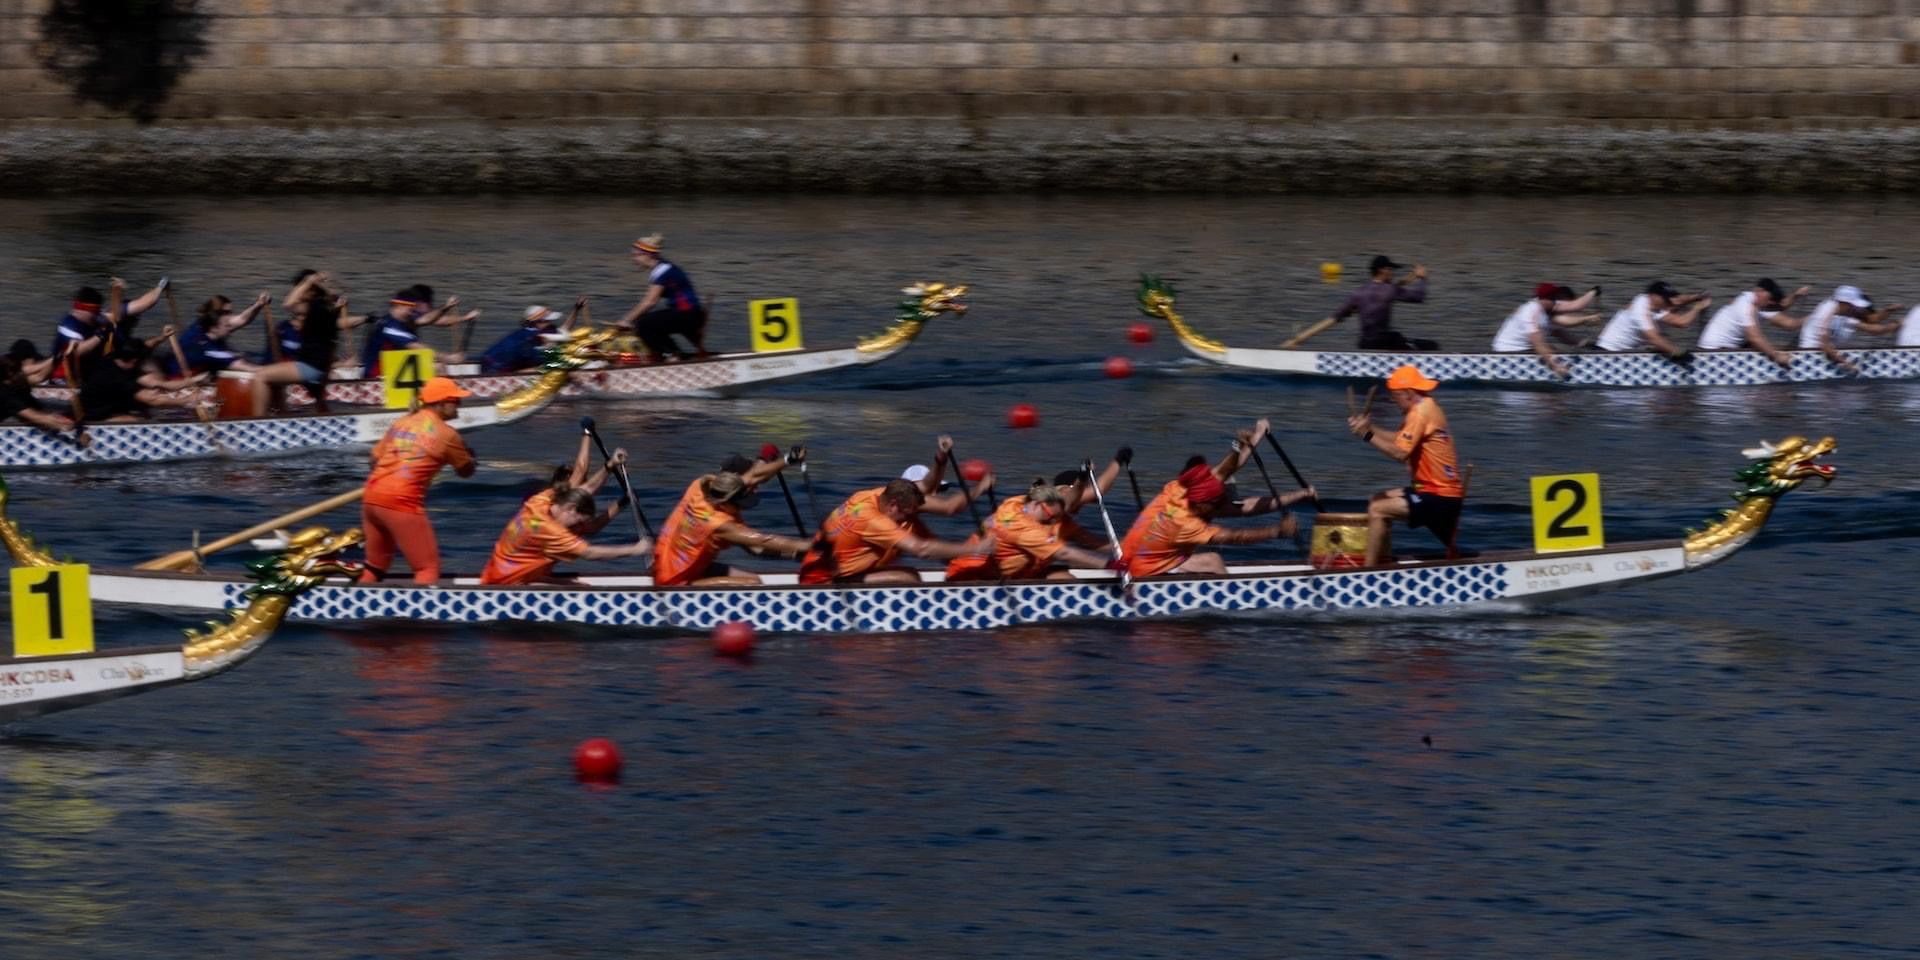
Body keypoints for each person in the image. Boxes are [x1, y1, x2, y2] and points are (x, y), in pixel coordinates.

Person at [1120, 419, 1313, 578]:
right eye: (1223, 498)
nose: (1227, 501)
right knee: (1212, 561)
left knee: (1201, 559)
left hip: (1140, 554)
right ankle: (1234, 604)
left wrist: (1252, 438)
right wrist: (1277, 531)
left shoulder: (1181, 489)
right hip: (1144, 571)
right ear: (1206, 504)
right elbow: (1235, 536)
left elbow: (1227, 470)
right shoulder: (1188, 524)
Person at [357, 377, 477, 585]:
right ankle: (420, 617)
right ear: (441, 404)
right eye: (455, 400)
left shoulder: (402, 421)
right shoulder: (448, 434)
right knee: (426, 568)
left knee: (375, 566)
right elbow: (466, 472)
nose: (459, 404)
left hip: (372, 497)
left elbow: (373, 460)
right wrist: (470, 458)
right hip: (402, 503)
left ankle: (357, 604)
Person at [1345, 364, 1466, 567]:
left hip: (1440, 496)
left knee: (1377, 509)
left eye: (1396, 396)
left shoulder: (1419, 413)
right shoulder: (1426, 404)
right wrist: (1368, 427)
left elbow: (1400, 453)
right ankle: (1382, 560)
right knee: (1377, 498)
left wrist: (1366, 435)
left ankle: (1367, 573)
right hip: (1433, 491)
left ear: (1408, 393)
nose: (1393, 401)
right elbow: (1399, 439)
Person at [799, 478, 989, 584]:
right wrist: (976, 548)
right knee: (909, 578)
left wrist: (941, 458)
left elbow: (926, 489)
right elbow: (921, 549)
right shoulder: (875, 521)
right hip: (825, 581)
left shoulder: (870, 495)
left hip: (821, 566)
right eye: (906, 514)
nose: (907, 519)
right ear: (893, 506)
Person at [653, 471, 816, 586]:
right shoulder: (718, 524)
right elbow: (763, 540)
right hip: (674, 582)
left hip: (668, 565)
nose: (742, 509)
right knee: (753, 583)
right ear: (724, 503)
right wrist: (813, 544)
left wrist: (785, 461)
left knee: (750, 578)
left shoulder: (700, 488)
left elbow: (752, 476)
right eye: (739, 505)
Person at [944, 479, 1115, 581]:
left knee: (1062, 577)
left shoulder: (1017, 502)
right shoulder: (1024, 527)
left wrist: (1082, 478)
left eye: (1055, 519)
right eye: (1049, 516)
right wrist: (1109, 564)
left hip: (1007, 574)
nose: (1051, 522)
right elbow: (1064, 554)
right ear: (1037, 505)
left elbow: (1069, 501)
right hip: (970, 577)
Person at [478, 487, 652, 586]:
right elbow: (589, 553)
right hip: (506, 586)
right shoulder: (552, 532)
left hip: (496, 574)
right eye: (578, 520)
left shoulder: (542, 499)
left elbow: (586, 489)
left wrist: (622, 501)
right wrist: (636, 549)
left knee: (577, 585)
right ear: (570, 508)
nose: (579, 526)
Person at [247, 272, 350, 416]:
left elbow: (288, 303)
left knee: (260, 376)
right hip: (319, 368)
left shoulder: (316, 306)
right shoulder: (329, 309)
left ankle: (257, 424)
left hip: (308, 367)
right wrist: (324, 378)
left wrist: (308, 282)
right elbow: (331, 347)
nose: (300, 295)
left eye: (303, 290)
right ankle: (284, 415)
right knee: (276, 382)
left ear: (311, 292)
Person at [49, 277, 166, 383]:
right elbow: (77, 351)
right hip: (67, 378)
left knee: (147, 363)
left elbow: (142, 304)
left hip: (96, 368)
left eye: (98, 311)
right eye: (94, 312)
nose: (97, 315)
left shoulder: (95, 317)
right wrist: (100, 335)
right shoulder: (68, 326)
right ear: (81, 309)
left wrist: (160, 287)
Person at [619, 235, 709, 363]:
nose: (634, 260)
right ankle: (679, 354)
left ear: (648, 255)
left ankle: (672, 356)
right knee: (649, 321)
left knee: (643, 324)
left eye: (636, 256)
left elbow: (649, 302)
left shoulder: (662, 270)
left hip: (687, 315)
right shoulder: (664, 268)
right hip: (690, 314)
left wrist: (626, 320)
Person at [1489, 283, 1602, 377]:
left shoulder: (1546, 309)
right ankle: (1560, 371)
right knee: (1550, 350)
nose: (1556, 302)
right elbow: (1538, 344)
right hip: (1507, 353)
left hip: (1524, 349)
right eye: (1553, 299)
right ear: (1544, 299)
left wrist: (1593, 292)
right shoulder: (1530, 312)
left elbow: (1575, 308)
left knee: (1554, 349)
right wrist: (1556, 367)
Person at [358, 285, 472, 378]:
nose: (412, 314)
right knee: (437, 367)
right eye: (410, 310)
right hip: (377, 376)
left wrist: (446, 307)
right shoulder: (389, 327)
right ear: (399, 305)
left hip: (393, 369)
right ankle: (443, 401)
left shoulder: (400, 321)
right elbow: (418, 348)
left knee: (435, 364)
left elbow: (426, 319)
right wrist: (449, 358)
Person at [1696, 278, 1811, 368]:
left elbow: (1789, 322)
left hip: (1722, 348)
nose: (1770, 303)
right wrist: (1776, 356)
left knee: (1767, 346)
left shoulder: (1758, 301)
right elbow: (1754, 338)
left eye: (1771, 301)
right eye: (1769, 299)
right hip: (1713, 353)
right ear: (1759, 292)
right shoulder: (1745, 306)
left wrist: (1796, 296)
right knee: (1762, 345)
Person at [79, 343, 207, 422]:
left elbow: (163, 385)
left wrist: (194, 380)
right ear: (135, 360)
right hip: (91, 417)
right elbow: (153, 400)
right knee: (135, 420)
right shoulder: (121, 379)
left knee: (143, 412)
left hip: (107, 408)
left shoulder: (117, 359)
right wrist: (187, 400)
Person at [1330, 255, 1433, 351]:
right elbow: (1419, 296)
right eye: (1390, 269)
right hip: (1385, 342)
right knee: (1431, 345)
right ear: (1381, 270)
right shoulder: (1390, 290)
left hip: (1365, 344)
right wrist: (1422, 278)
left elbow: (1337, 316)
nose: (1392, 273)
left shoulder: (1358, 292)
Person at [1796, 285, 1902, 374]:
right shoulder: (1825, 314)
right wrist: (1849, 365)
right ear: (1844, 303)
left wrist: (1894, 321)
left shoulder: (1842, 313)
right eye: (1853, 305)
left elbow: (1874, 328)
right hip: (1811, 357)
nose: (1856, 309)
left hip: (1825, 355)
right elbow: (1825, 346)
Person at [1593, 281, 1712, 360]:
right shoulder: (1640, 309)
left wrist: (1697, 298)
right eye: (1665, 298)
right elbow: (1654, 339)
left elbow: (1682, 320)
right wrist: (1678, 353)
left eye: (1669, 298)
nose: (1669, 301)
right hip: (1608, 354)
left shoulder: (1655, 306)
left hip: (1625, 353)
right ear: (1653, 296)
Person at [159, 294, 269, 378]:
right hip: (177, 377)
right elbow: (241, 366)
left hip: (201, 366)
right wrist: (277, 372)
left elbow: (242, 319)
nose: (231, 320)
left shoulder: (209, 326)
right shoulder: (205, 346)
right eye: (226, 313)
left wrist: (258, 304)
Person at [0, 355, 83, 440]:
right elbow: (37, 417)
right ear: (10, 374)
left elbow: (40, 376)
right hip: (11, 430)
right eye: (20, 370)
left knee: (61, 405)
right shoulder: (5, 394)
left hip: (34, 410)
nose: (23, 372)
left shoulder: (17, 381)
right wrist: (68, 425)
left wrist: (59, 356)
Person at [480, 303, 570, 373]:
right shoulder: (533, 336)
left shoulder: (526, 331)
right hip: (495, 370)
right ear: (537, 323)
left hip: (487, 362)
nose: (550, 323)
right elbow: (564, 337)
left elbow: (562, 332)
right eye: (547, 321)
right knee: (549, 367)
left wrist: (576, 309)